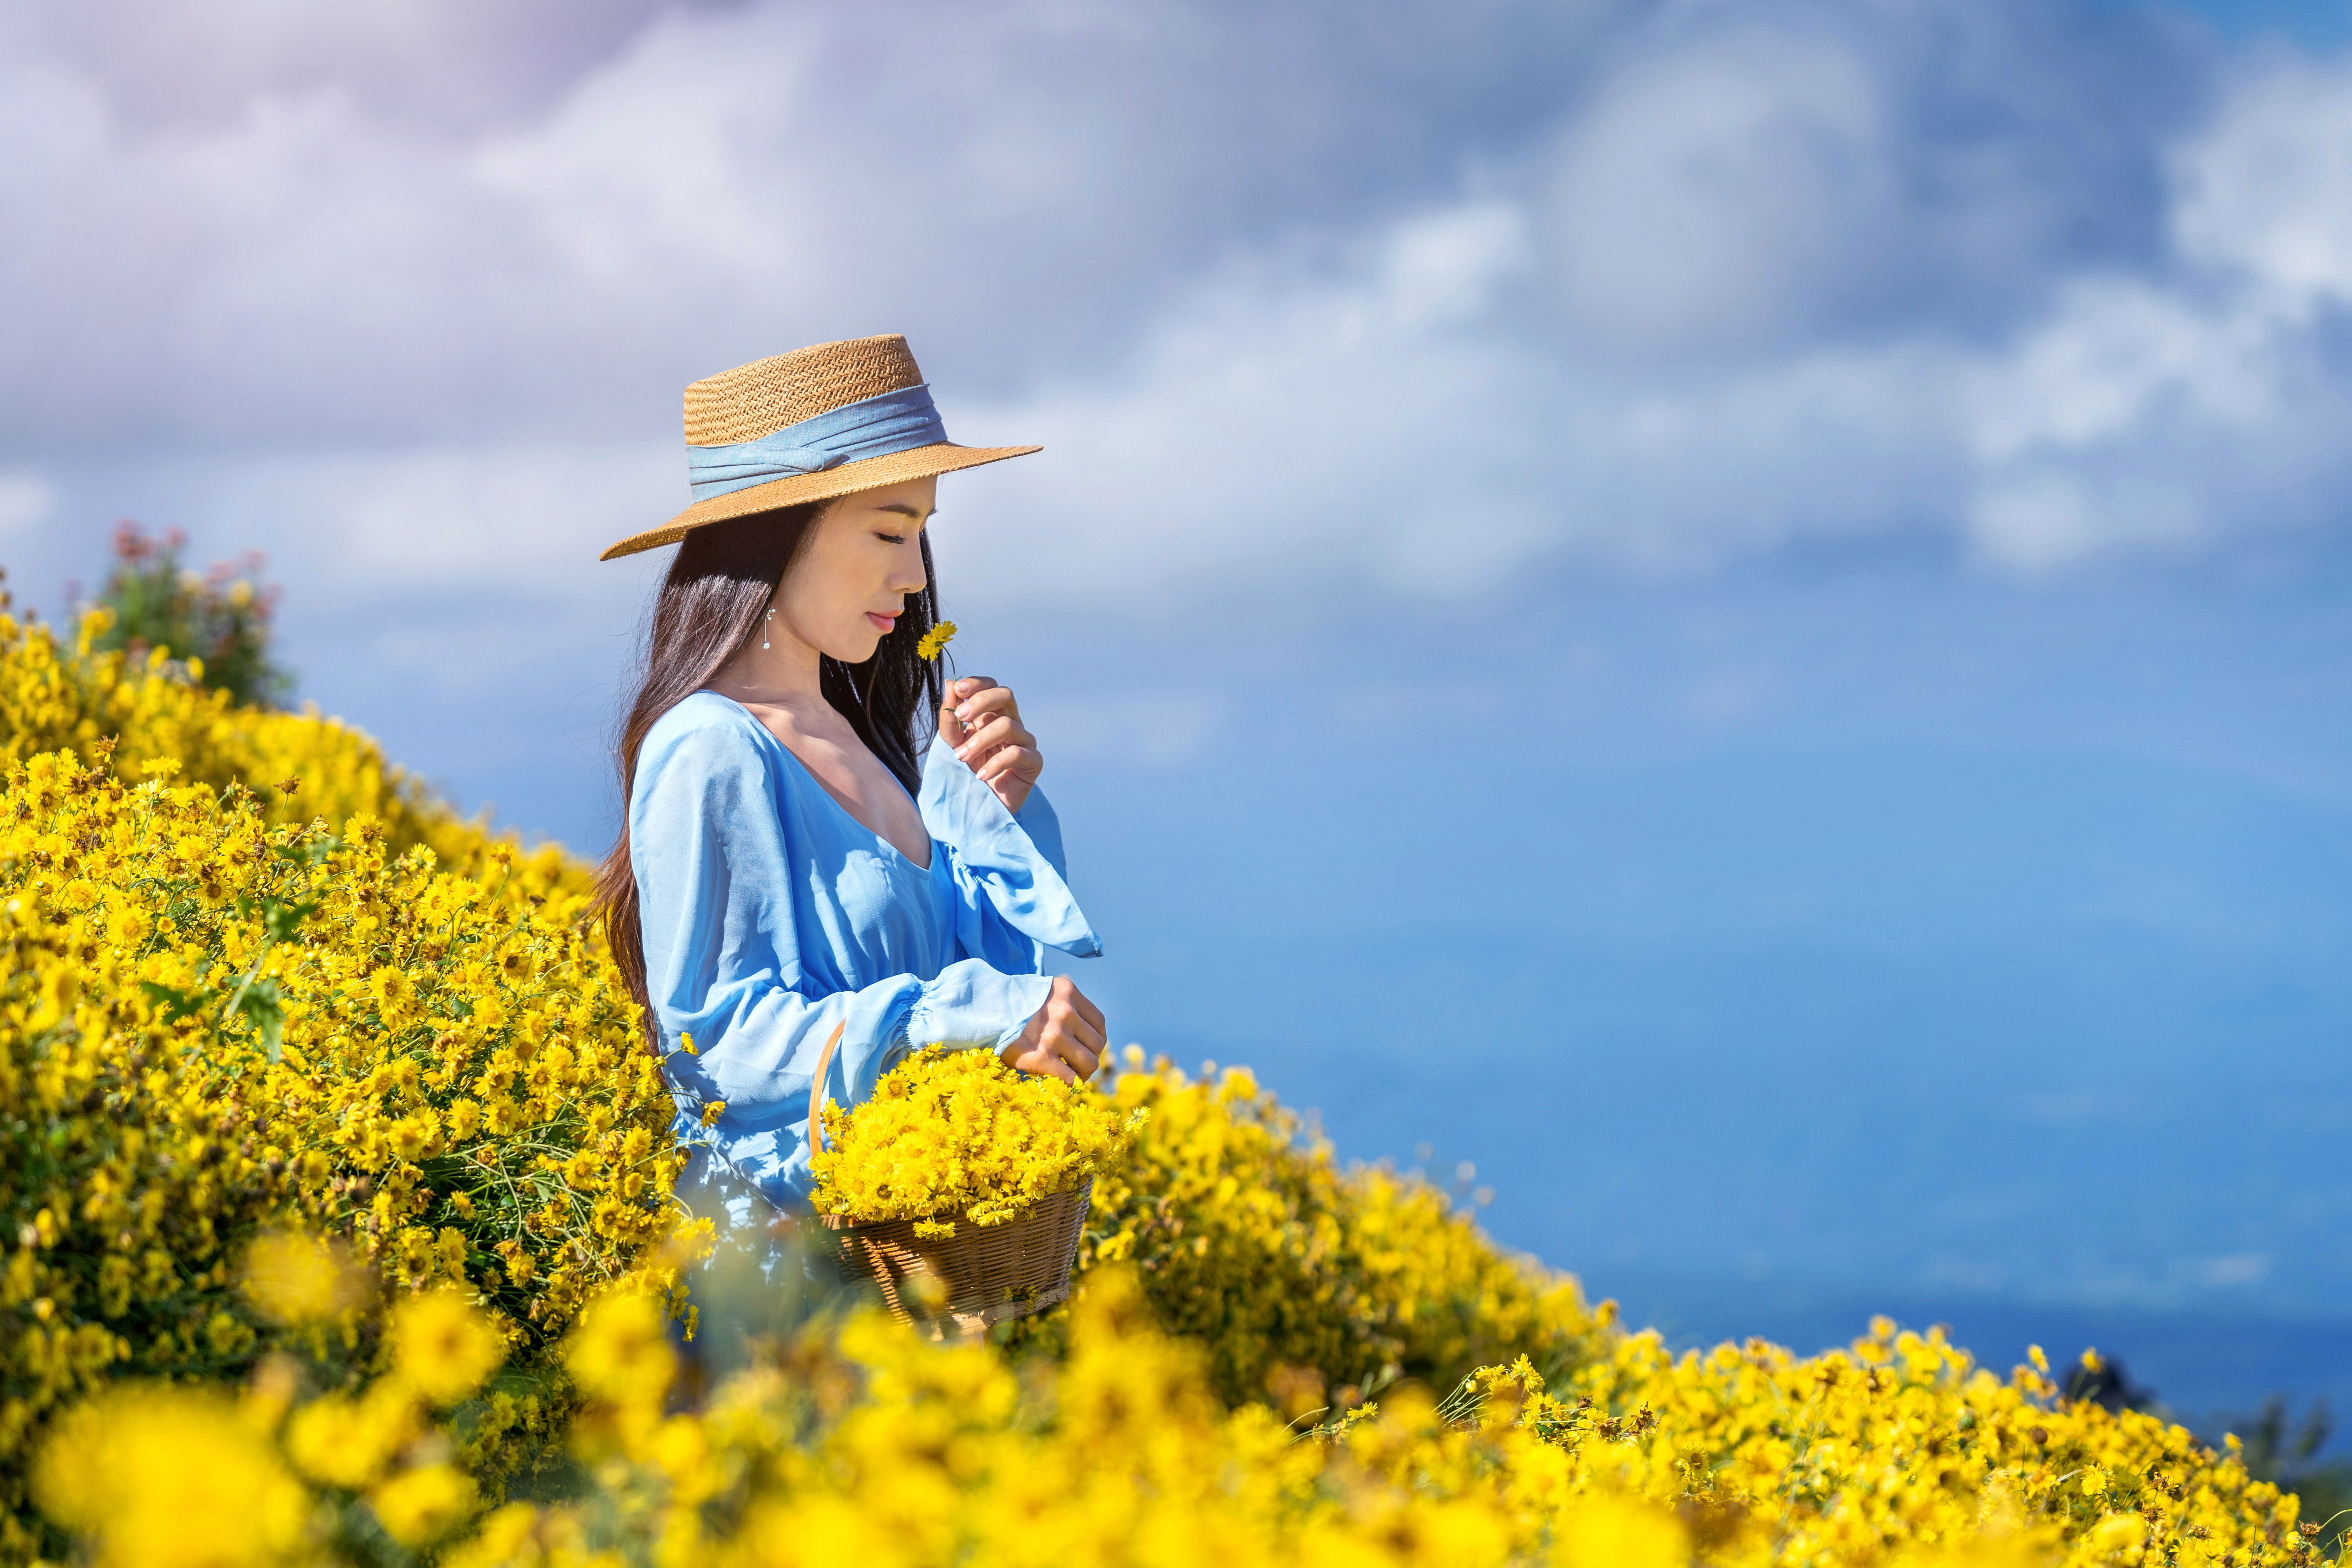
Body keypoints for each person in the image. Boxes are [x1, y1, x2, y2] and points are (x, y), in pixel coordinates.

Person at [592, 334, 1108, 1248]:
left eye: (921, 532)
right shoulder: (711, 745)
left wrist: (988, 810)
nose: (913, 578)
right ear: (782, 533)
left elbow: (978, 982)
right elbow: (715, 1044)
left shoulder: (865, 748)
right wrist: (968, 1016)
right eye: (886, 530)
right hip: (782, 1287)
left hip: (909, 1263)